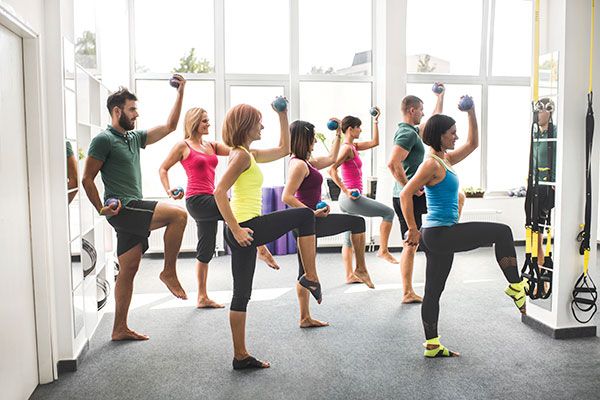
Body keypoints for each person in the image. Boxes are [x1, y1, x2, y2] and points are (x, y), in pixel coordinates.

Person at [400, 103, 528, 358]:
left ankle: (432, 345)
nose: (456, 137)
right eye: (452, 132)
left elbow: (473, 143)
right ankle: (515, 286)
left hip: (440, 234)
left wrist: (470, 112)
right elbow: (405, 193)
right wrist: (412, 229)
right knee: (502, 232)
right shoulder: (431, 165)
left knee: (433, 291)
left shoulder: (444, 159)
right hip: (439, 233)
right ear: (439, 135)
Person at [214, 102, 322, 370]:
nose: (262, 126)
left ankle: (240, 356)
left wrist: (282, 115)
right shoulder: (240, 156)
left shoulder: (247, 154)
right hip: (245, 227)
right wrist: (237, 229)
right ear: (246, 126)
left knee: (241, 294)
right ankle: (310, 275)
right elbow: (219, 192)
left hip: (245, 228)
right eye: (259, 122)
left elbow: (285, 148)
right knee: (306, 216)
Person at [82, 79, 188, 341]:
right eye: (132, 109)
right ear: (117, 111)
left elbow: (170, 126)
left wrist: (181, 92)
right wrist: (100, 208)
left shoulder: (133, 137)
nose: (136, 114)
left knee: (128, 270)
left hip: (132, 208)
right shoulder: (103, 140)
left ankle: (119, 328)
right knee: (179, 215)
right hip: (124, 208)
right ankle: (169, 271)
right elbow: (87, 178)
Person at [159, 108, 279, 309]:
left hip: (211, 197)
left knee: (205, 250)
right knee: (235, 211)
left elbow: (239, 151)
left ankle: (202, 297)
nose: (208, 124)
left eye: (208, 120)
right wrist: (169, 189)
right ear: (194, 122)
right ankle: (261, 247)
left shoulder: (212, 145)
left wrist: (259, 148)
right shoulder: (183, 145)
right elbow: (163, 168)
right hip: (197, 200)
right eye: (204, 121)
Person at [283, 119, 373, 328]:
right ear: (304, 138)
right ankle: (359, 268)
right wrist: (312, 212)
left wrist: (338, 133)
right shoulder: (298, 164)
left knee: (304, 271)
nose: (314, 140)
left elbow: (332, 158)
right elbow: (286, 197)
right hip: (308, 221)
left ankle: (305, 317)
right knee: (357, 222)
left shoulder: (307, 162)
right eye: (312, 136)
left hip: (309, 221)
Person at [387, 87, 445, 304]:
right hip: (409, 197)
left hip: (415, 195)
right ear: (412, 110)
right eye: (420, 110)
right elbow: (393, 163)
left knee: (420, 240)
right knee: (410, 243)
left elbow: (433, 121)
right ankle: (407, 292)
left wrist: (440, 98)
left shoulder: (411, 131)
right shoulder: (406, 133)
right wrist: (408, 187)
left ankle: (412, 289)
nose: (423, 113)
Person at [328, 109, 398, 272]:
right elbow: (332, 170)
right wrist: (346, 190)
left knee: (348, 239)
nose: (361, 130)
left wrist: (376, 121)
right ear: (351, 129)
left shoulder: (354, 147)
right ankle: (383, 250)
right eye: (359, 127)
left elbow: (375, 142)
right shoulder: (346, 148)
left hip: (348, 199)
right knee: (388, 213)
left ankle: (349, 275)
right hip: (350, 198)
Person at [530, 97, 557, 278]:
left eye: (541, 111)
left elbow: (556, 156)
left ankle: (547, 264)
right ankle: (540, 266)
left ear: (550, 112)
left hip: (551, 185)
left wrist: (554, 179)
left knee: (547, 223)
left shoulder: (554, 133)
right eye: (536, 111)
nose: (538, 115)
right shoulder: (534, 132)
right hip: (536, 183)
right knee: (536, 225)